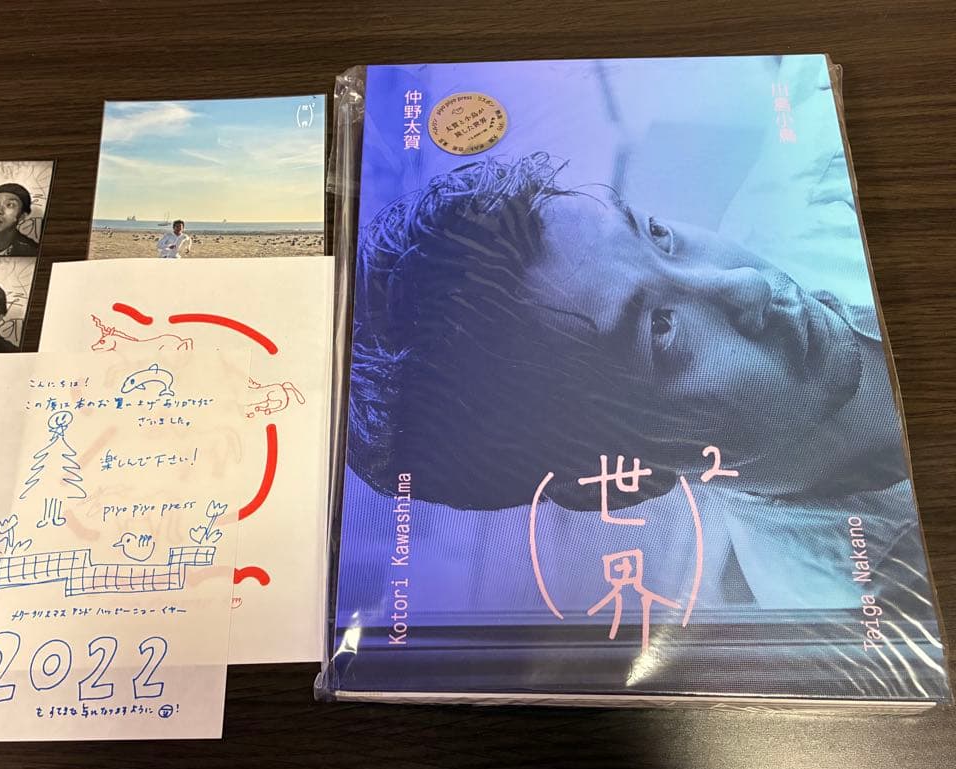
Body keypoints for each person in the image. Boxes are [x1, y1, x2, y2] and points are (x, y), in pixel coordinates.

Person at [347, 152, 927, 612]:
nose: (745, 285)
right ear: (622, 483)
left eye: (656, 234)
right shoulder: (857, 601)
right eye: (660, 331)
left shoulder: (823, 170)